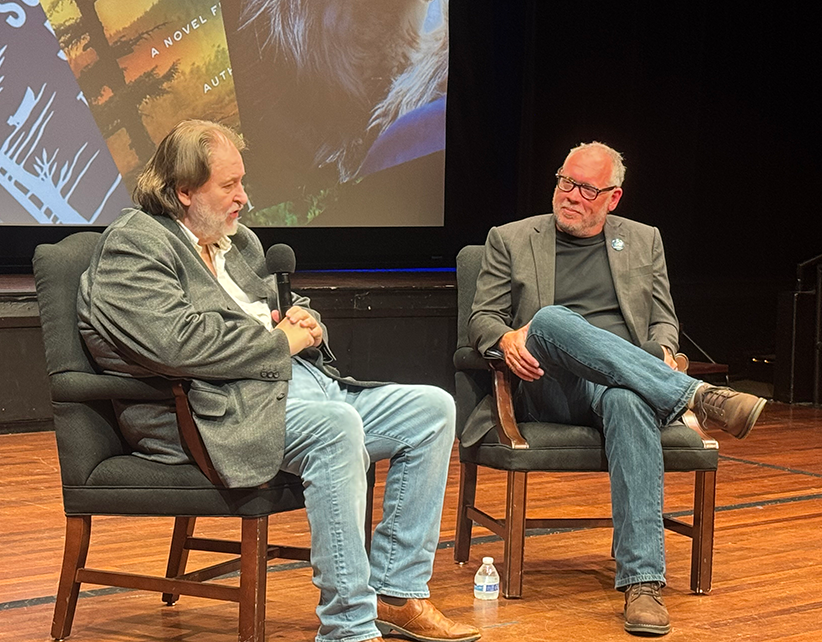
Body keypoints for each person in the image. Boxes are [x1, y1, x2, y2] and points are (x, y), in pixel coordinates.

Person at [77, 120, 481, 642]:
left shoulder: (236, 242)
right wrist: (280, 340)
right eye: (229, 186)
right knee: (336, 428)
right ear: (183, 192)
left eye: (242, 182)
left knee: (431, 409)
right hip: (210, 411)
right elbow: (177, 343)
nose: (243, 198)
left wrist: (305, 324)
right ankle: (347, 627)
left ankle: (398, 594)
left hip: (289, 389)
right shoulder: (134, 245)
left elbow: (269, 312)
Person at [467, 141, 766, 636]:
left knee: (629, 400)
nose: (571, 195)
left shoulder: (644, 240)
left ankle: (643, 584)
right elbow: (482, 316)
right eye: (566, 181)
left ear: (613, 198)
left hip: (622, 384)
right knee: (550, 320)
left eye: (587, 189)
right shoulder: (511, 238)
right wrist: (503, 337)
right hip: (548, 385)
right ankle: (696, 396)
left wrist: (666, 350)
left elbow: (664, 322)